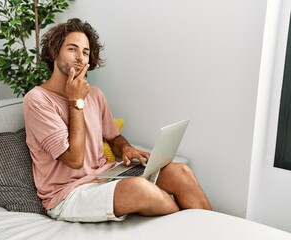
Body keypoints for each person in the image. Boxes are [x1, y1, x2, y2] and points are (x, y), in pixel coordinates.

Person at [23, 18, 211, 222]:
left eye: (85, 52)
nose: (80, 57)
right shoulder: (37, 100)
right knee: (141, 189)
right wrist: (75, 100)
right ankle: (194, 227)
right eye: (72, 49)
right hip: (68, 194)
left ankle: (217, 231)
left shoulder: (95, 94)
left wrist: (126, 149)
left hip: (105, 176)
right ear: (54, 53)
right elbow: (74, 160)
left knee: (180, 172)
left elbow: (113, 137)